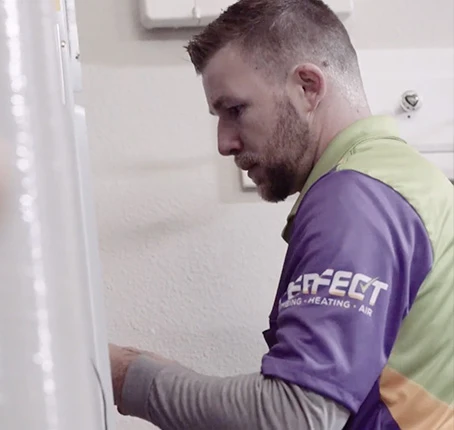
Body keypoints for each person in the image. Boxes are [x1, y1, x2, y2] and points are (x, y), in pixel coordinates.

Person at [108, 0, 454, 428]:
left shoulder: (355, 202)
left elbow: (294, 416)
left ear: (307, 87)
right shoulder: (405, 179)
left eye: (234, 109)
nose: (224, 143)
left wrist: (126, 376)